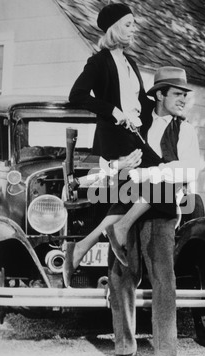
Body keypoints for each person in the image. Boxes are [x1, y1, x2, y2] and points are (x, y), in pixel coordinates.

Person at [63, 3, 178, 287]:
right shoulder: (99, 61)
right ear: (114, 28)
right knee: (164, 183)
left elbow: (141, 103)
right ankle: (120, 229)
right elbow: (76, 95)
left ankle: (85, 244)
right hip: (114, 137)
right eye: (128, 24)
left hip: (134, 136)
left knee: (146, 189)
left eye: (133, 24)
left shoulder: (131, 63)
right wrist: (113, 111)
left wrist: (168, 104)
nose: (133, 28)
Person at [103, 66, 201, 356]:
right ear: (159, 94)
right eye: (177, 93)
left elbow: (186, 173)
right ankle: (125, 350)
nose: (183, 99)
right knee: (120, 277)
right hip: (128, 204)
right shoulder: (135, 126)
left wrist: (144, 174)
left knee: (163, 280)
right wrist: (130, 169)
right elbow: (112, 166)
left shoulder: (186, 131)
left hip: (161, 213)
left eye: (185, 94)